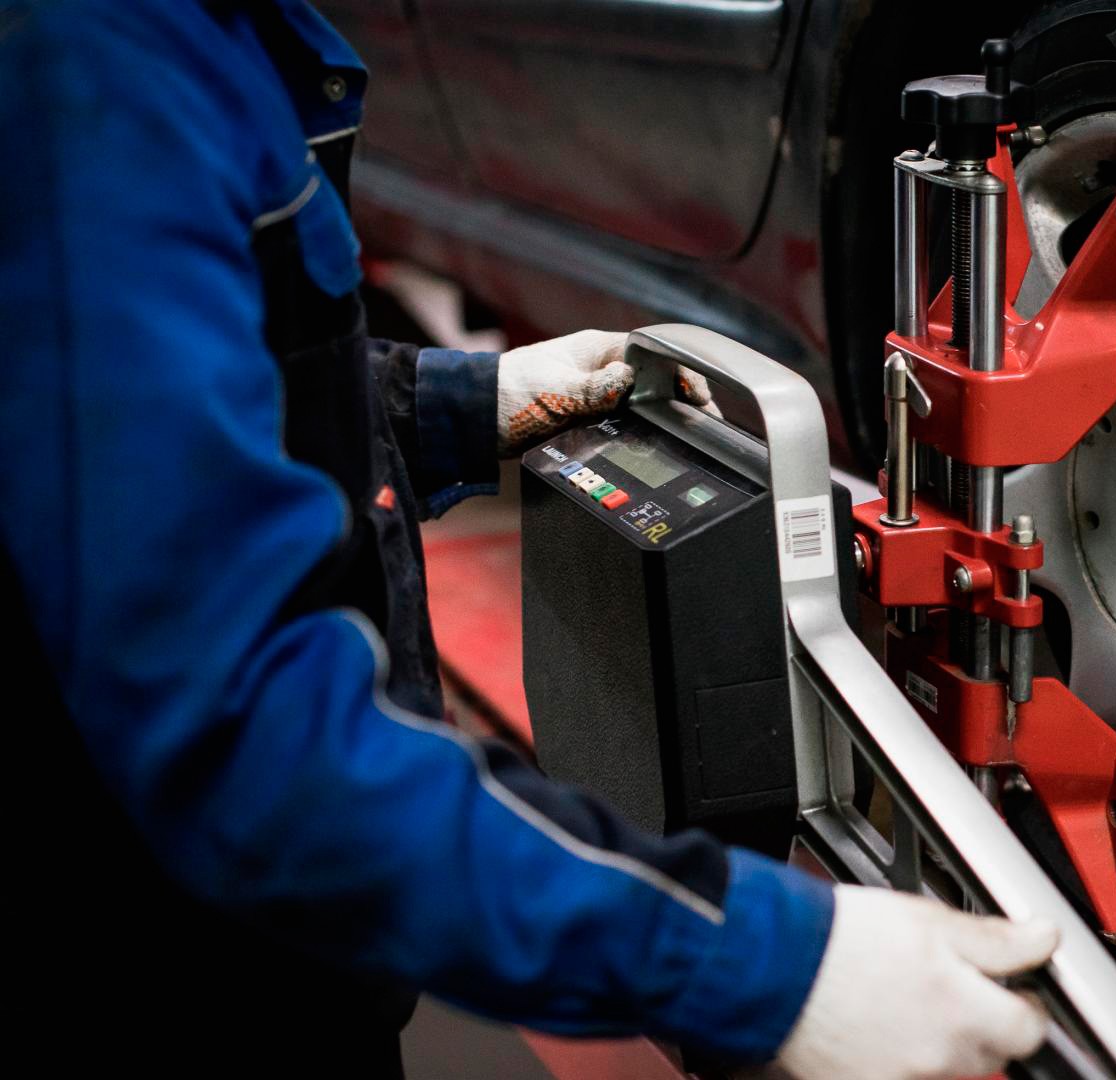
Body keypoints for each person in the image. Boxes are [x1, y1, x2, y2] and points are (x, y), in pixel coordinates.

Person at [0, 2, 1056, 1076]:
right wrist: (767, 965)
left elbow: (197, 394)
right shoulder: (99, 71)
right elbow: (242, 735)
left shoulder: (197, 46)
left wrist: (466, 403)